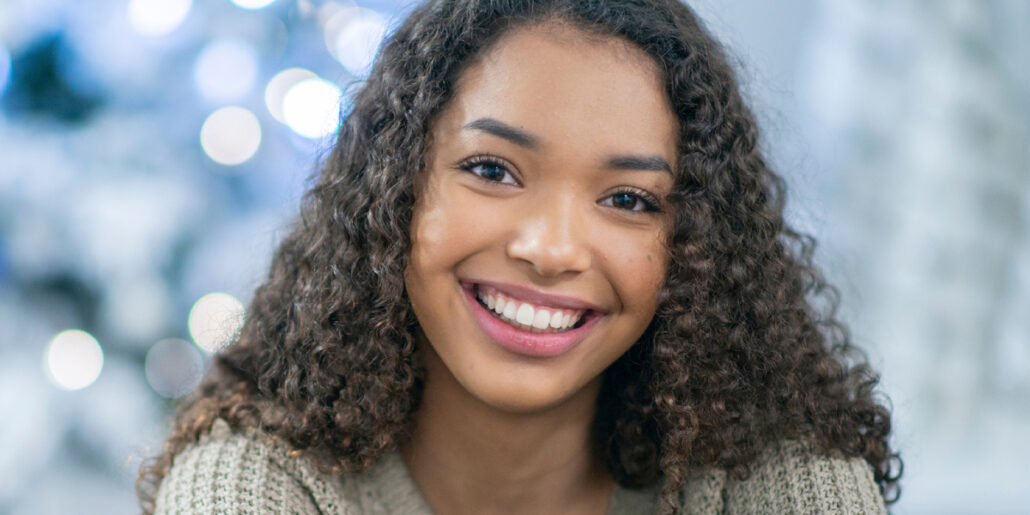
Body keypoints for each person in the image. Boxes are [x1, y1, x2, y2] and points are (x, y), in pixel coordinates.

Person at [137, 0, 903, 513]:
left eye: (630, 199)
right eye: (492, 170)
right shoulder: (246, 491)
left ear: (698, 244)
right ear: (395, 185)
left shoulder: (778, 481)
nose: (551, 249)